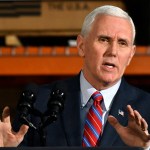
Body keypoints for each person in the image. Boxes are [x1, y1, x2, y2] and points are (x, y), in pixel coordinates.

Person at [1, 5, 150, 149]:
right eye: (104, 39)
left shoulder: (147, 108)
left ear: (131, 54)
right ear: (81, 46)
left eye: (122, 43)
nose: (113, 51)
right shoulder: (39, 102)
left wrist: (145, 148)